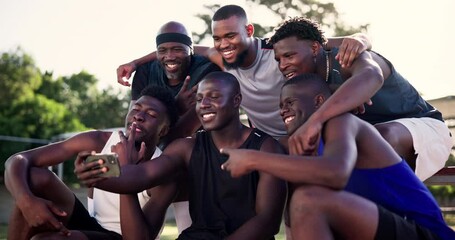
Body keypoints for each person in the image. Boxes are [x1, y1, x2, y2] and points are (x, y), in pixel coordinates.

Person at [221, 74, 455, 240]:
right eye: (281, 106)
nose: (282, 110)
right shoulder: (302, 149)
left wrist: (253, 159)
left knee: (307, 200)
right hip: (378, 230)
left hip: (422, 231)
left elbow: (336, 173)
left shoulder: (342, 123)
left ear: (319, 102)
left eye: (290, 102)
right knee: (303, 201)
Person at [116, 4, 371, 139]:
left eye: (230, 35)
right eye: (218, 38)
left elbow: (323, 41)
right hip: (269, 143)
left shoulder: (278, 52)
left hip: (308, 133)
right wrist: (136, 63)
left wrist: (361, 39)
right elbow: (189, 49)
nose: (223, 44)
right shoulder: (224, 59)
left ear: (248, 32)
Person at [82, 71, 287, 239]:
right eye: (199, 99)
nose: (204, 104)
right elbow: (141, 176)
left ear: (236, 100)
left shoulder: (266, 147)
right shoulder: (186, 148)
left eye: (213, 97)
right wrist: (91, 170)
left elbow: (267, 222)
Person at [269, 16, 453, 181]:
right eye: (278, 60)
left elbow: (372, 76)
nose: (283, 65)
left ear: (315, 48)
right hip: (368, 136)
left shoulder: (347, 58)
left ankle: (398, 210)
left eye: (288, 56)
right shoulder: (310, 85)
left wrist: (316, 121)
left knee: (380, 136)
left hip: (425, 128)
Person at [4, 86, 190, 239]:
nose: (139, 116)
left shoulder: (164, 171)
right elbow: (17, 160)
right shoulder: (100, 142)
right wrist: (26, 200)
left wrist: (127, 171)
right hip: (92, 223)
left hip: (124, 236)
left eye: (151, 114)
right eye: (136, 109)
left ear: (163, 130)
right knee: (36, 177)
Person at [125, 21, 221, 147]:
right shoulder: (145, 70)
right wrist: (177, 107)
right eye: (163, 50)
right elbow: (131, 128)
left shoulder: (207, 72)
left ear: (191, 50)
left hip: (197, 147)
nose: (169, 56)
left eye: (177, 49)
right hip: (149, 149)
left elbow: (183, 131)